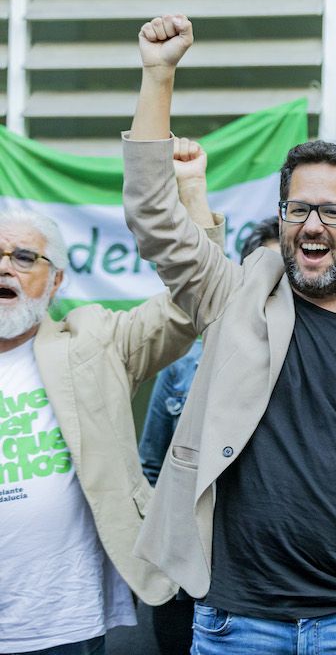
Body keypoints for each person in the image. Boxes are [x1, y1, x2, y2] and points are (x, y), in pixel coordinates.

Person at [123, 15, 336, 654]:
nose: (313, 225)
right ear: (281, 219)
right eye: (298, 210)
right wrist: (158, 74)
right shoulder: (233, 298)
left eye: (332, 212)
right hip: (235, 624)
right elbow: (153, 213)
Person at [0, 189, 221, 654]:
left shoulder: (93, 343)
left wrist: (194, 201)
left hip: (60, 625)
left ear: (56, 280)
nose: (5, 267)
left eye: (23, 257)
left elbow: (191, 300)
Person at [137, 216, 279, 655]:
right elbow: (153, 466)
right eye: (263, 274)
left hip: (277, 583)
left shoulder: (317, 366)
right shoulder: (183, 368)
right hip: (192, 582)